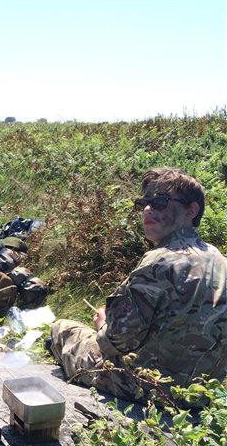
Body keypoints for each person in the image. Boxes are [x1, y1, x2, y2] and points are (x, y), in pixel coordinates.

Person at [49, 168, 227, 403]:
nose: (147, 209)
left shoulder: (160, 260)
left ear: (191, 210)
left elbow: (115, 342)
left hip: (145, 387)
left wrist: (103, 325)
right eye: (143, 203)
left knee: (62, 328)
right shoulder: (220, 260)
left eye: (160, 202)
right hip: (201, 394)